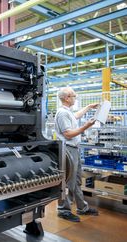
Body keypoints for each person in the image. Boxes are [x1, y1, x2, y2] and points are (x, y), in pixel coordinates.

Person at [55, 87, 99, 222]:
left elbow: (76, 116)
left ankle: (82, 207)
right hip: (68, 150)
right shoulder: (62, 113)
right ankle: (63, 210)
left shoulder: (68, 112)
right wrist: (85, 127)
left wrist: (88, 107)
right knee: (69, 181)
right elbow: (68, 134)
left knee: (77, 180)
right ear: (67, 98)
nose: (76, 98)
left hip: (74, 149)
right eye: (74, 96)